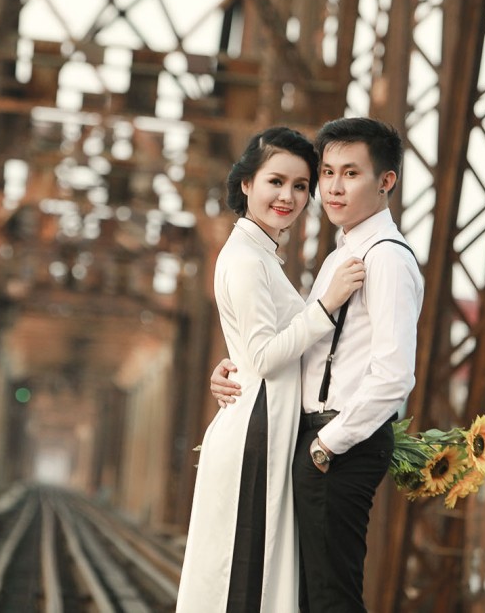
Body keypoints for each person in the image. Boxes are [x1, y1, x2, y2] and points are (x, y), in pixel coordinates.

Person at [210, 117, 425, 612]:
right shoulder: (340, 258)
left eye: (350, 173)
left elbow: (395, 375)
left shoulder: (387, 259)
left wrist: (327, 446)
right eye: (326, 173)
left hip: (337, 443)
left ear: (385, 181)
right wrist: (238, 364)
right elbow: (306, 349)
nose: (332, 187)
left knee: (331, 598)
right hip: (316, 439)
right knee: (308, 597)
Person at [176, 126, 367, 612]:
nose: (289, 196)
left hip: (266, 426)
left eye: (301, 186)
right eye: (275, 182)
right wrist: (326, 305)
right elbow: (262, 357)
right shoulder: (245, 259)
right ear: (246, 185)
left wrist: (234, 360)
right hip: (256, 437)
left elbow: (255, 348)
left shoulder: (261, 256)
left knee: (248, 578)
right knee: (244, 580)